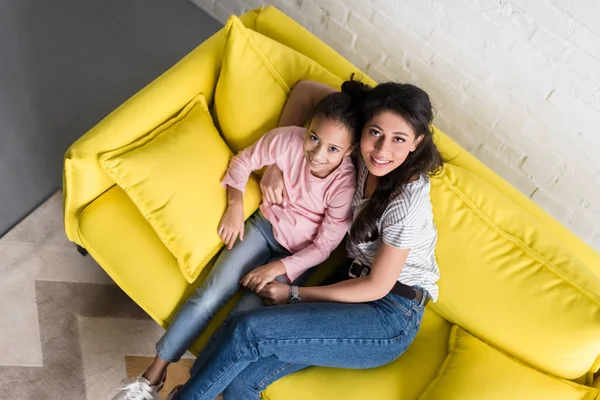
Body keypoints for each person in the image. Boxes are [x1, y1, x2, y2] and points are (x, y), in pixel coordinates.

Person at [167, 77, 443, 400]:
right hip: (349, 285)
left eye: (399, 139)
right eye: (375, 133)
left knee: (249, 329)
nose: (382, 150)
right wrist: (276, 167)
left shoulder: (406, 201)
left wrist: (294, 294)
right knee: (240, 381)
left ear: (416, 142)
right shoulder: (360, 156)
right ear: (362, 131)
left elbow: (376, 286)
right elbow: (307, 91)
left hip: (388, 315)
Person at [112, 90, 360, 400]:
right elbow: (242, 163)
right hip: (264, 227)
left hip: (297, 258)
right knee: (210, 295)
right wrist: (235, 206)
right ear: (307, 127)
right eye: (314, 138)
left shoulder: (345, 187)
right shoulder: (286, 140)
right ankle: (151, 377)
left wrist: (277, 268)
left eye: (333, 148)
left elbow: (323, 248)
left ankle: (192, 387)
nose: (318, 153)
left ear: (349, 151)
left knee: (240, 322)